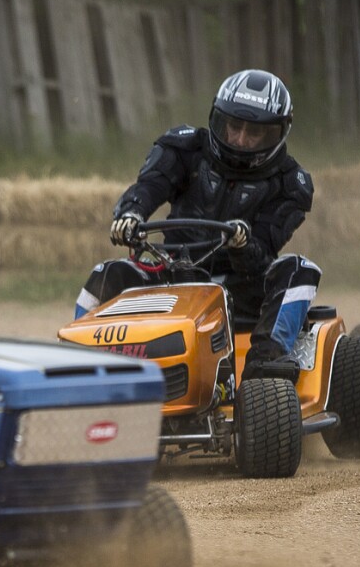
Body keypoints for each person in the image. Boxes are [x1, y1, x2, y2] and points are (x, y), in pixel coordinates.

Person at [78, 69, 318, 381]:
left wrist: (242, 245)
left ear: (276, 133)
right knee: (107, 273)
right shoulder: (185, 148)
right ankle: (79, 363)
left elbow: (262, 254)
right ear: (219, 119)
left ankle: (263, 370)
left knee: (300, 270)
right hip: (174, 273)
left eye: (254, 133)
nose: (239, 139)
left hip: (241, 289)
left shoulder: (290, 183)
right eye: (234, 126)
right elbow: (149, 187)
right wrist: (131, 214)